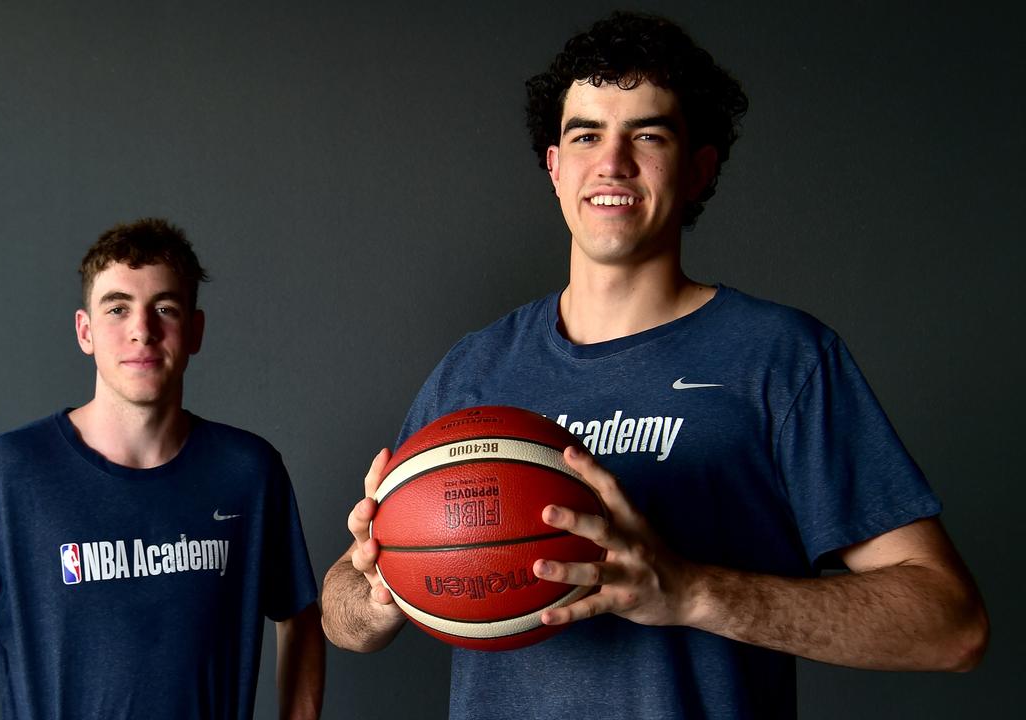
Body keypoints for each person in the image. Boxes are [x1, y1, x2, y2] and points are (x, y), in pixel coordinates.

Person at [321, 11, 988, 718]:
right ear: (555, 168)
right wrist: (378, 582)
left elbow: (951, 625)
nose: (612, 161)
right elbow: (341, 618)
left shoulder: (782, 359)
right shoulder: (473, 369)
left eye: (648, 134)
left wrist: (693, 591)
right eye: (585, 135)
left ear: (699, 168)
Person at [0, 218, 324, 719]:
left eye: (165, 307)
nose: (142, 329)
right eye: (118, 308)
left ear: (195, 331)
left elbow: (302, 621)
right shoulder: (10, 475)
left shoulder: (249, 472)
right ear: (85, 331)